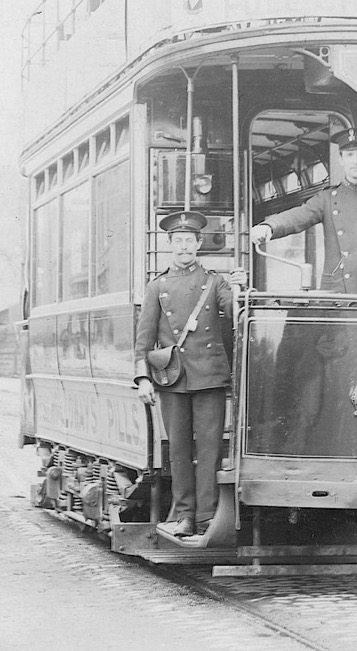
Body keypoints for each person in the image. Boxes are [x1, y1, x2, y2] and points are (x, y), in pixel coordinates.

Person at [134, 210, 240, 539]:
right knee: (178, 450)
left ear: (199, 244)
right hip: (172, 379)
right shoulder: (158, 286)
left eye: (189, 241)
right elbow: (144, 338)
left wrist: (239, 290)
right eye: (177, 241)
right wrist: (143, 378)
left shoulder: (215, 282)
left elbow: (233, 312)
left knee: (210, 449)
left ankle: (207, 517)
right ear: (170, 245)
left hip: (209, 375)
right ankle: (184, 516)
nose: (183, 247)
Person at [250, 127, 357, 292]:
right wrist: (269, 226)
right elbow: (300, 215)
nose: (355, 161)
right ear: (341, 160)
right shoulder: (327, 198)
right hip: (339, 292)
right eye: (349, 155)